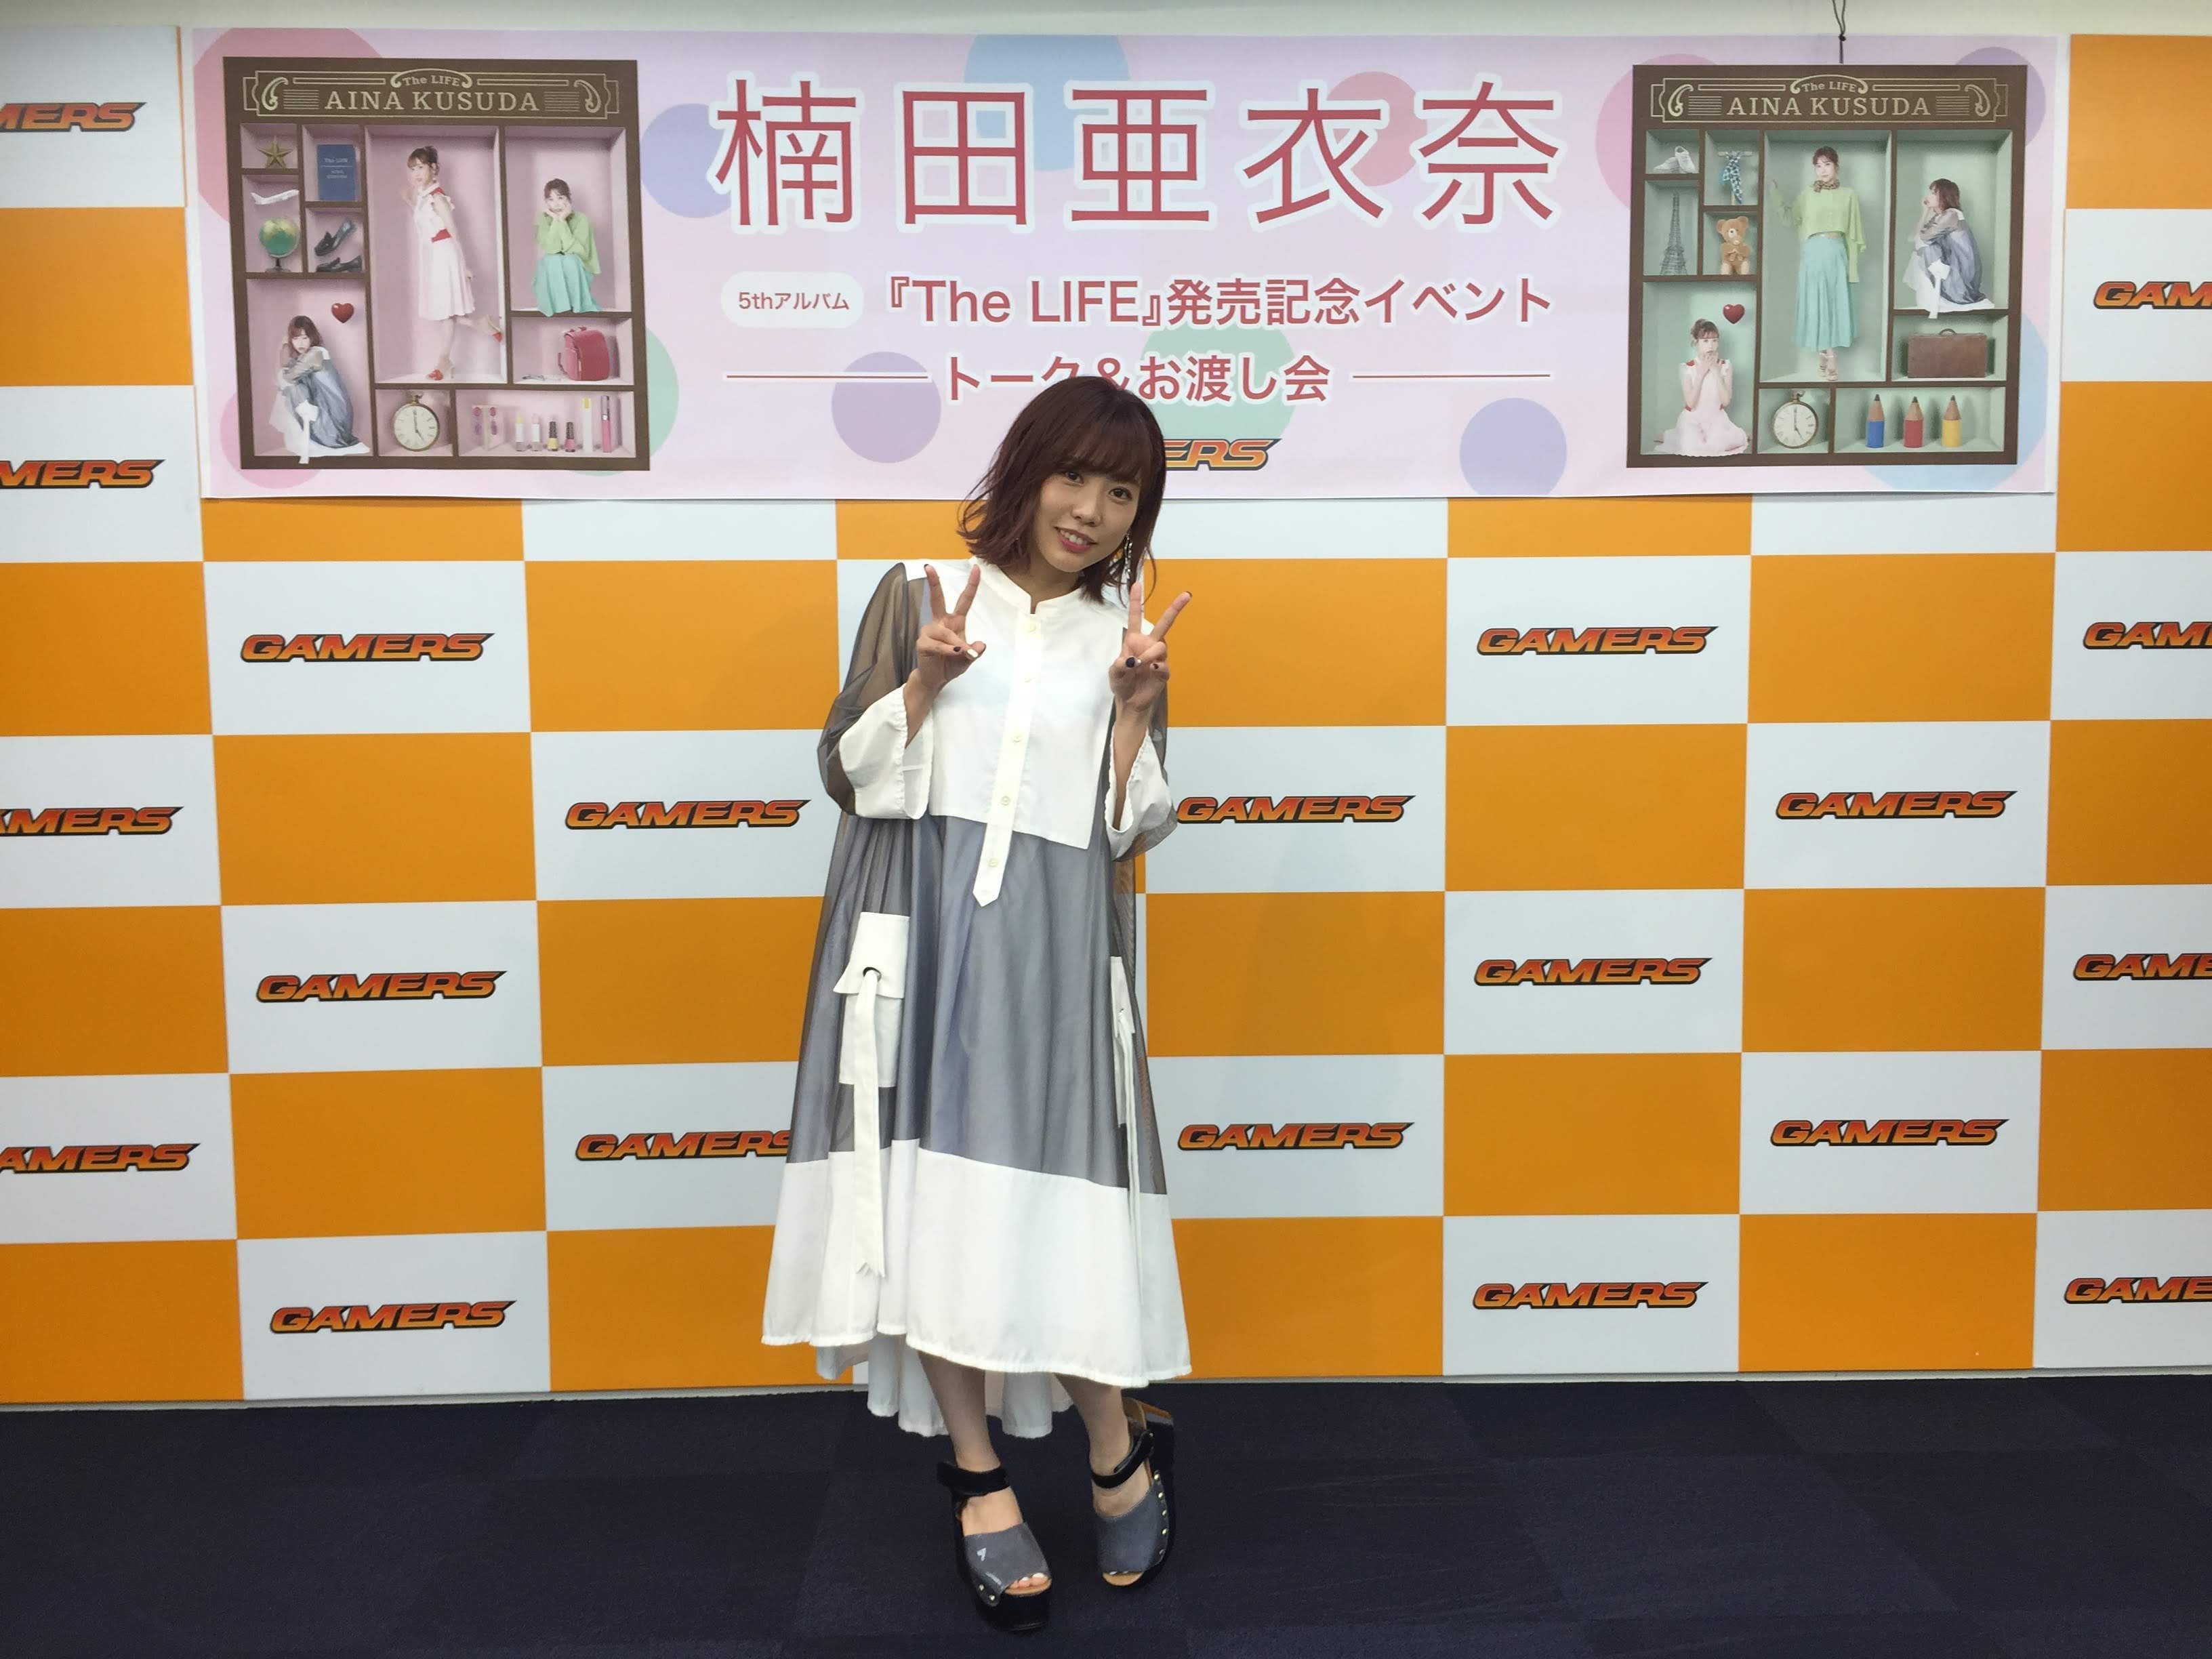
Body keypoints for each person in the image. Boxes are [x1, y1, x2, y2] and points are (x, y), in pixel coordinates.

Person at [762, 375, 1193, 1635]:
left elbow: (1129, 826)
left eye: (1122, 492)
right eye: (1074, 476)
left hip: (1054, 958)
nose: (1091, 509)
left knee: (1063, 1212)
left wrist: (1133, 712)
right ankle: (978, 1476)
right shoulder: (915, 593)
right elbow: (848, 775)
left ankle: (1115, 1443)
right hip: (923, 938)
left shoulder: (1125, 637)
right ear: (1025, 470)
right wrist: (922, 684)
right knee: (931, 1208)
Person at [400, 145, 501, 381]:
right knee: (443, 311)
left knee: (446, 312)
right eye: (413, 169)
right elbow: (427, 222)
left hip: (446, 254)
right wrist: (409, 202)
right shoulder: (424, 197)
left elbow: (453, 231)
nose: (416, 173)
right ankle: (480, 325)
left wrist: (463, 266)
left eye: (421, 167)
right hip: (434, 256)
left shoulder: (438, 198)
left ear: (434, 168)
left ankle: (444, 361)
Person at [1772, 144, 1864, 382]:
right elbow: (1790, 218)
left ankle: (1824, 353)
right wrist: (1775, 194)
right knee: (1817, 302)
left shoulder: (1849, 195)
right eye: (1818, 166)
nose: (1822, 170)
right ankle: (1831, 355)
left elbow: (1854, 234)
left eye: (1827, 164)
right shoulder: (1807, 195)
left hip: (1837, 252)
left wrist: (1852, 268)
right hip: (1813, 253)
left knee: (1833, 303)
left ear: (1836, 166)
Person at [268, 314, 365, 458]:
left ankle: (308, 418)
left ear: (312, 337)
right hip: (334, 419)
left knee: (291, 386)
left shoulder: (315, 354)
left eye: (305, 338)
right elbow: (281, 378)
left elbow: (287, 378)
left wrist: (282, 349)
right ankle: (307, 416)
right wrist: (282, 349)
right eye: (295, 339)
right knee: (292, 384)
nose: (300, 343)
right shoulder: (311, 355)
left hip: (333, 425)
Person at [1653, 318, 1748, 455]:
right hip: (1693, 419)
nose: (1711, 346)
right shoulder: (1687, 368)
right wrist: (1701, 374)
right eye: (1705, 341)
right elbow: (1691, 403)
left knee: (1716, 447)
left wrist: (1716, 372)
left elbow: (1726, 401)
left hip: (1717, 419)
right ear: (1696, 342)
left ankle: (1739, 434)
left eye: (1715, 340)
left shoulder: (1726, 366)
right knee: (1692, 447)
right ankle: (1671, 435)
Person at [1905, 177, 1988, 316]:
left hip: (1961, 279)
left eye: (1933, 193)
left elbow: (1923, 238)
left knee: (1927, 248)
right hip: (1953, 270)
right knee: (1924, 248)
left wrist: (1922, 237)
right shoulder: (1939, 216)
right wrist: (1925, 211)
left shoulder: (1951, 215)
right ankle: (1933, 292)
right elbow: (1913, 238)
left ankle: (1938, 291)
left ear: (1944, 196)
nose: (1929, 196)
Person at [531, 178, 601, 315]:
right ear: (546, 202)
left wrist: (562, 220)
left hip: (578, 265)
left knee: (570, 259)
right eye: (551, 200)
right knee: (551, 260)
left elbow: (578, 251)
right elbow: (552, 248)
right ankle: (558, 306)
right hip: (553, 266)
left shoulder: (581, 219)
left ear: (568, 199)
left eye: (560, 198)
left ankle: (574, 304)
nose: (556, 204)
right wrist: (556, 220)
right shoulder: (542, 218)